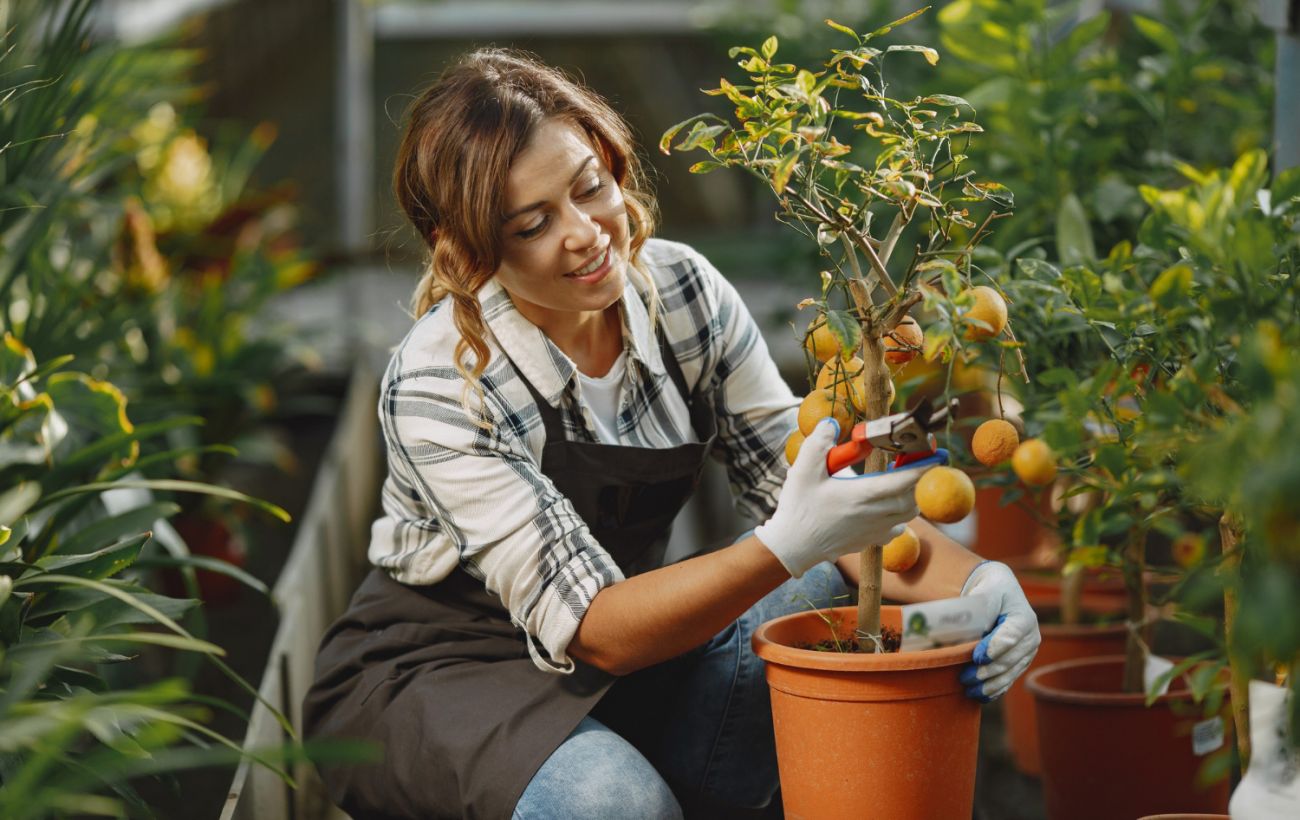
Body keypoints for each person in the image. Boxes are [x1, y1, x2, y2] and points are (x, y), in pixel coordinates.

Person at [302, 48, 1040, 820]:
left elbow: (814, 489)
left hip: (611, 668)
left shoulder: (682, 293)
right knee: (612, 801)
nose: (587, 233)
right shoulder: (445, 378)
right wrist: (787, 541)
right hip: (442, 674)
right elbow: (596, 629)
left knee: (830, 589)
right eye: (533, 224)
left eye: (591, 188)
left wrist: (980, 585)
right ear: (475, 251)